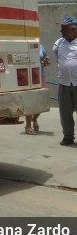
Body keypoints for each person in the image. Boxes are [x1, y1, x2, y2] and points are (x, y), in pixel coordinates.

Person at [53, 17, 77, 146]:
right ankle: (68, 137)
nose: (61, 31)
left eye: (64, 28)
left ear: (73, 30)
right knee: (65, 113)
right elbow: (58, 58)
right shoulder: (59, 43)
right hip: (64, 83)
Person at [25, 44, 50, 134]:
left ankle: (34, 119)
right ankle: (28, 126)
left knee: (41, 102)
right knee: (30, 101)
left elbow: (46, 56)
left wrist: (46, 59)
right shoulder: (24, 45)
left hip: (40, 76)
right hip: (28, 76)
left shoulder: (41, 46)